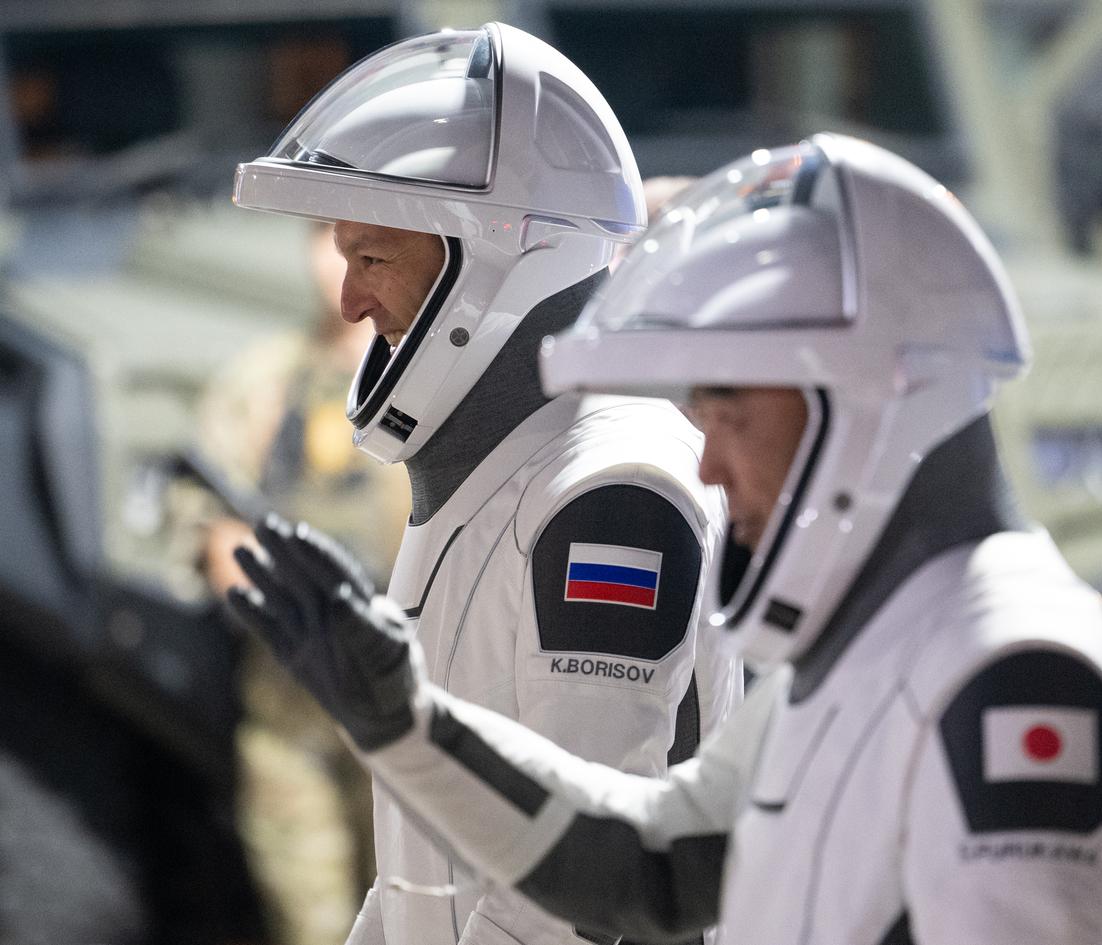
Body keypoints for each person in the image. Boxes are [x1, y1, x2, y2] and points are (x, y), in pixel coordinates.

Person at [231, 132, 1102, 944]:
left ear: (873, 397)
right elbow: (647, 862)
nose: (705, 464)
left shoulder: (1018, 666)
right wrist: (406, 720)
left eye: (731, 410)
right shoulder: (870, 645)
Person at [229, 23, 741, 945]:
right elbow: (418, 884)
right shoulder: (492, 477)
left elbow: (580, 895)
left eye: (373, 255)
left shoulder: (612, 492)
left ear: (495, 263)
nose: (348, 300)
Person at [195, 221, 405, 945]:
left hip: (415, 706)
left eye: (362, 240)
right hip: (294, 707)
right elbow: (219, 530)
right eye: (324, 235)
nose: (337, 260)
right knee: (310, 921)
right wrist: (288, 613)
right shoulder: (264, 381)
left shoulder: (437, 384)